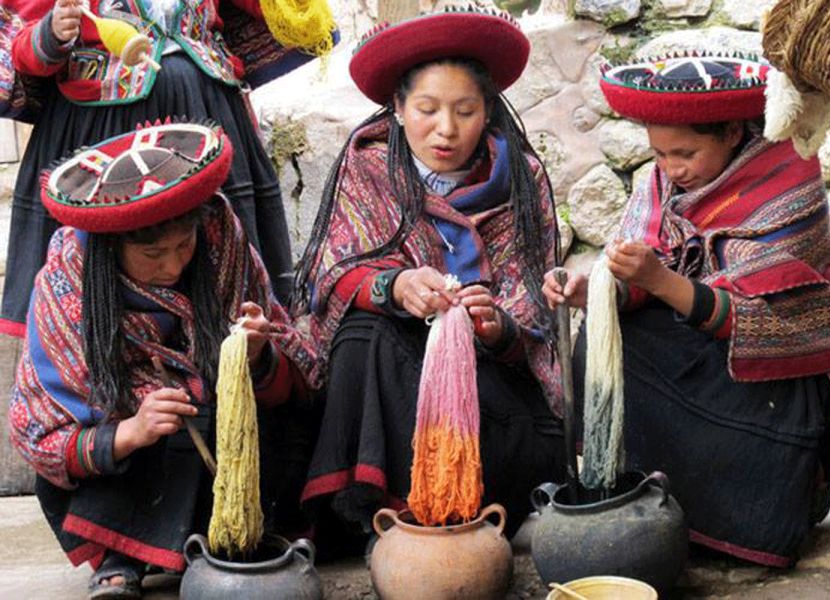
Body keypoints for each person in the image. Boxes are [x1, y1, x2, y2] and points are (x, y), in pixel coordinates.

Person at [542, 53, 830, 566]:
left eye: (684, 153)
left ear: (733, 131)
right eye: (659, 154)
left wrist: (660, 280)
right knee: (615, 337)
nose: (670, 169)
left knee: (748, 379)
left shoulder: (788, 182)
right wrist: (595, 290)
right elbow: (640, 274)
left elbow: (774, 324)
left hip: (791, 373)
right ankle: (660, 504)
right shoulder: (661, 184)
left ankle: (775, 508)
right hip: (710, 345)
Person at [291, 6, 565, 544]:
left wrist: (493, 326)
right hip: (392, 380)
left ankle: (437, 512)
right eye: (427, 109)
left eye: (465, 110)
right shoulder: (368, 166)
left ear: (488, 110)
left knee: (403, 354)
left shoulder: (522, 183)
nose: (446, 129)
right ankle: (378, 510)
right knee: (364, 332)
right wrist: (394, 287)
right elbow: (333, 274)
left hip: (487, 396)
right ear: (396, 107)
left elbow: (534, 316)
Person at [7, 122, 315, 598]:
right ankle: (121, 552)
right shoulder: (66, 280)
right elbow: (43, 434)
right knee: (171, 427)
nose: (172, 266)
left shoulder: (219, 239)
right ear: (110, 249)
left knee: (254, 421)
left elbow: (294, 367)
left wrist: (256, 355)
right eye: (152, 253)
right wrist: (130, 432)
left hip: (221, 444)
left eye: (182, 247)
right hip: (131, 464)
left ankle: (226, 540)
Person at [0, 0, 332, 335]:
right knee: (120, 257)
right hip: (107, 126)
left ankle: (237, 356)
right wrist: (53, 33)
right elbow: (23, 49)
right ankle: (116, 363)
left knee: (218, 247)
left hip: (208, 112)